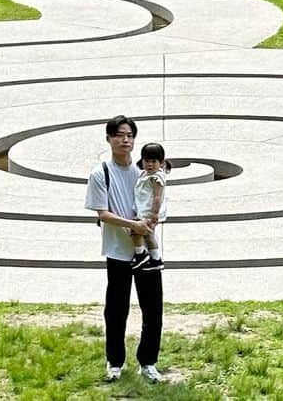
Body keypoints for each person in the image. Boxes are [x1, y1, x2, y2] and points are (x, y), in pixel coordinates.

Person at [84, 115, 165, 384]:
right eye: (119, 135)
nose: (125, 140)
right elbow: (102, 213)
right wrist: (133, 225)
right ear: (109, 138)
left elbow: (158, 200)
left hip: (146, 252)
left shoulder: (144, 171)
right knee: (116, 310)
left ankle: (148, 362)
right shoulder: (101, 173)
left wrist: (149, 222)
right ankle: (115, 361)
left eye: (129, 135)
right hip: (118, 250)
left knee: (153, 309)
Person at [129, 142, 169, 271]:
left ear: (161, 163)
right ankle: (155, 259)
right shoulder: (145, 174)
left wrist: (154, 214)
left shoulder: (156, 178)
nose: (150, 164)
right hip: (144, 210)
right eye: (147, 161)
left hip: (149, 212)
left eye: (154, 161)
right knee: (147, 234)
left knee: (137, 231)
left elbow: (157, 197)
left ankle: (141, 254)